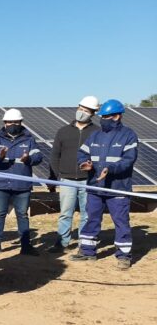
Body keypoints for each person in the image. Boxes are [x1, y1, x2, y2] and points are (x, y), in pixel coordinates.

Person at [72, 99, 138, 270]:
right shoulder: (95, 135)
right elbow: (82, 153)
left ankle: (123, 256)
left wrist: (111, 168)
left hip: (118, 187)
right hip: (95, 186)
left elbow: (128, 160)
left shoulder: (128, 135)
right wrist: (84, 164)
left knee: (121, 221)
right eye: (102, 116)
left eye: (107, 117)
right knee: (91, 218)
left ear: (117, 116)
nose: (103, 119)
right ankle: (87, 251)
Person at [0, 108, 43, 256]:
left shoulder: (29, 140)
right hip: (0, 184)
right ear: (4, 123)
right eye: (10, 122)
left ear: (21, 122)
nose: (12, 124)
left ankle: (25, 245)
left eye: (15, 122)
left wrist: (28, 159)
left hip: (21, 186)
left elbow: (39, 157)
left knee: (22, 215)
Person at [47, 96, 100, 253]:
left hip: (87, 180)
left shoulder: (97, 132)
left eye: (86, 110)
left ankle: (84, 244)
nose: (82, 112)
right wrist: (58, 175)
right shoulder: (63, 131)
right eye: (80, 109)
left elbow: (99, 157)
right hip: (67, 179)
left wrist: (94, 170)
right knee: (65, 213)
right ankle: (62, 242)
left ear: (93, 113)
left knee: (86, 214)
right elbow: (54, 155)